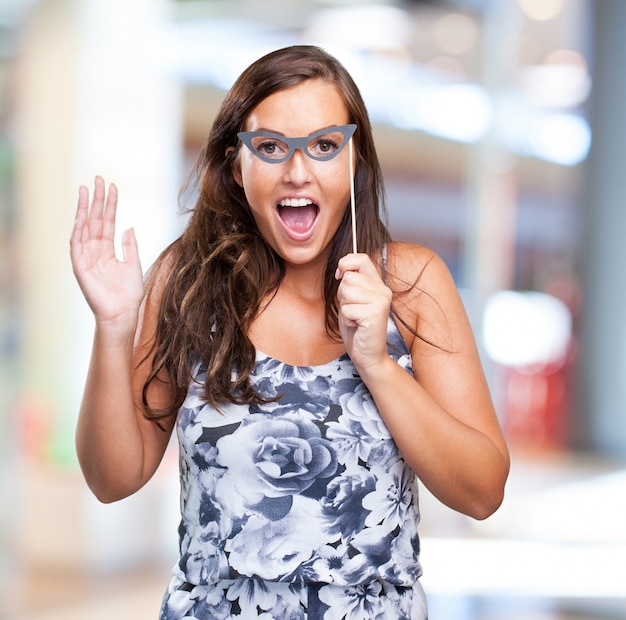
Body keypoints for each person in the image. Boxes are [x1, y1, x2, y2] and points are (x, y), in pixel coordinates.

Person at [70, 45, 509, 620]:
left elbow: (482, 492)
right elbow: (112, 479)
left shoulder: (410, 282)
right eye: (271, 147)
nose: (298, 171)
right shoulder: (189, 281)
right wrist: (112, 327)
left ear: (354, 161)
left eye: (325, 146)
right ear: (236, 164)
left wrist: (376, 364)